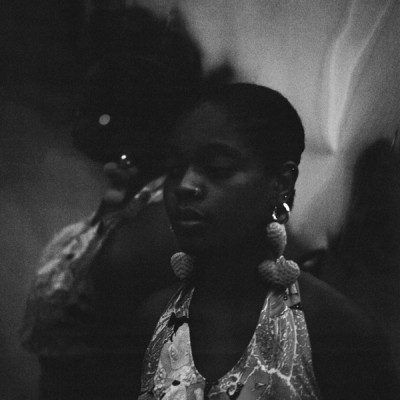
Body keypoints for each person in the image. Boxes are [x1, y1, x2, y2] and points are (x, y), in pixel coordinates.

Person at [132, 83, 398, 400]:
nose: (185, 185)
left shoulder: (333, 331)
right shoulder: (152, 320)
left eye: (217, 168)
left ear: (281, 184)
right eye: (174, 169)